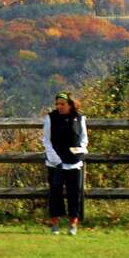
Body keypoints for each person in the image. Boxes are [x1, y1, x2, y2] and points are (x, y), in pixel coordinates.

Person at [43, 91, 88, 235]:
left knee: (75, 192)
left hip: (74, 163)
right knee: (55, 192)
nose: (59, 107)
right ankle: (55, 223)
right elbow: (46, 140)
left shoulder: (79, 118)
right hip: (55, 163)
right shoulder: (50, 118)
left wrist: (80, 152)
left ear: (70, 104)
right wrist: (55, 159)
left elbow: (84, 139)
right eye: (57, 104)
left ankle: (73, 224)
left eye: (62, 104)